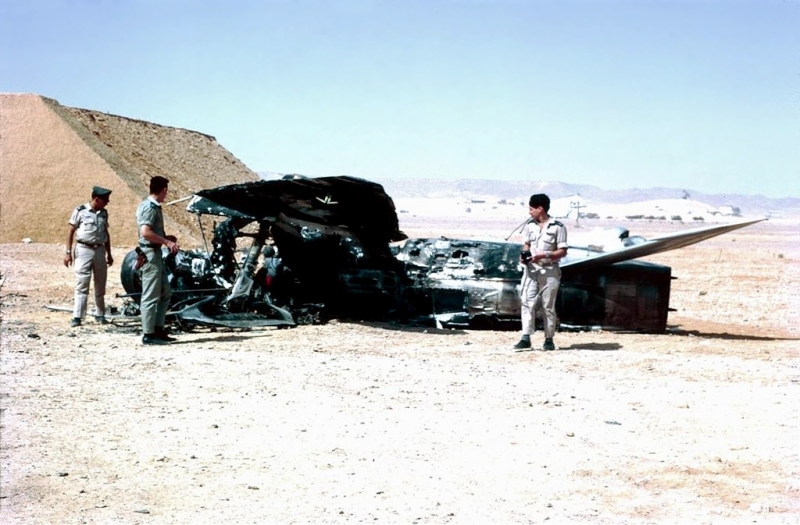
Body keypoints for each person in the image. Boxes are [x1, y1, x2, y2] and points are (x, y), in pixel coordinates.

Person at [514, 193, 568, 351]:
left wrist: (543, 255)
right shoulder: (530, 225)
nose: (529, 212)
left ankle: (549, 339)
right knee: (526, 302)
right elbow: (526, 244)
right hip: (531, 271)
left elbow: (563, 251)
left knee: (547, 306)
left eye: (531, 209)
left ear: (540, 209)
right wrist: (524, 255)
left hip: (549, 271)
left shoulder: (558, 227)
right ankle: (525, 337)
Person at [136, 175, 180, 345]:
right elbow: (145, 232)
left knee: (164, 292)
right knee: (150, 295)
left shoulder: (153, 206)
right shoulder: (149, 207)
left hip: (155, 254)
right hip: (150, 254)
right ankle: (148, 333)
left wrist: (164, 237)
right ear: (163, 190)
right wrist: (166, 242)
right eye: (166, 191)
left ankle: (158, 328)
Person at [64, 186, 114, 327]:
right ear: (97, 199)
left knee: (100, 284)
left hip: (99, 250)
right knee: (82, 283)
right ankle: (78, 317)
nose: (107, 202)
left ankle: (100, 314)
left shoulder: (104, 213)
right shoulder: (80, 211)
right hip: (84, 249)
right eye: (105, 200)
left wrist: (109, 254)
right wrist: (68, 253)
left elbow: (106, 233)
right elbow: (70, 231)